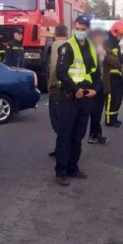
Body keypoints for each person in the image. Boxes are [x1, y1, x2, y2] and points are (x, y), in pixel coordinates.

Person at [54, 16, 101, 186]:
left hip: (85, 98)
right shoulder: (68, 47)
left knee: (78, 135)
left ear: (88, 30)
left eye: (83, 29)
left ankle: (73, 167)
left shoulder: (92, 49)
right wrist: (76, 89)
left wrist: (95, 89)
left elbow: (96, 74)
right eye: (77, 28)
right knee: (65, 135)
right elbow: (61, 72)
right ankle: (61, 172)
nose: (80, 32)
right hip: (69, 96)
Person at [47, 25, 68, 157]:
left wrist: (51, 84)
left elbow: (54, 66)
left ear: (55, 34)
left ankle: (62, 149)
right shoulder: (73, 44)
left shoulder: (56, 45)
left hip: (58, 88)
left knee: (57, 120)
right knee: (66, 120)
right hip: (71, 88)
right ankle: (61, 147)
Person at [103, 21, 123, 128]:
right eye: (120, 35)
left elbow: (118, 58)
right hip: (110, 76)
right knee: (110, 99)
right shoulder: (108, 43)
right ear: (115, 32)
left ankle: (114, 118)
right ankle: (109, 120)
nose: (121, 37)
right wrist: (120, 65)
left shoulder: (114, 43)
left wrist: (122, 64)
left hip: (117, 76)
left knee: (117, 98)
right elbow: (110, 59)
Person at [87, 29, 109, 145]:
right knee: (92, 112)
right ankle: (94, 134)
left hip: (102, 86)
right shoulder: (89, 51)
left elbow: (118, 63)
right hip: (91, 85)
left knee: (98, 112)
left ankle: (96, 134)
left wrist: (106, 56)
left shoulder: (106, 50)